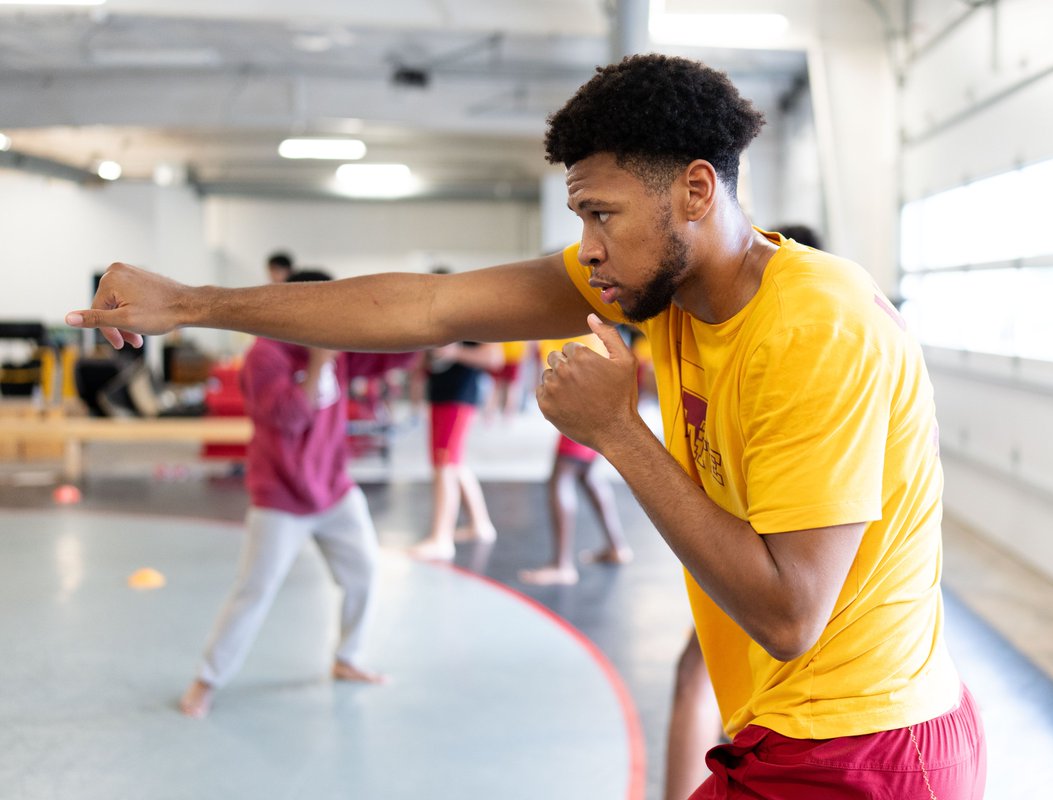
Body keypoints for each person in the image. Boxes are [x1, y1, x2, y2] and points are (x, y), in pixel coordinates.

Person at [70, 54, 986, 797]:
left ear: (696, 192)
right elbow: (427, 308)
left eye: (602, 214)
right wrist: (191, 303)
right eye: (580, 215)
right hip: (801, 734)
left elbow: (790, 614)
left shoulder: (812, 325)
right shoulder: (664, 282)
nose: (587, 245)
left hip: (864, 751)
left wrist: (621, 434)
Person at [178, 269, 411, 719]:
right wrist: (319, 362)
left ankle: (347, 659)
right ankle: (205, 681)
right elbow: (287, 418)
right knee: (255, 590)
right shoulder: (264, 356)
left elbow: (384, 357)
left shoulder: (336, 345)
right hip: (281, 496)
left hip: (334, 489)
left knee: (363, 573)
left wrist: (430, 335)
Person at [663, 222, 828, 800]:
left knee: (701, 676)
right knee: (695, 673)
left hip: (837, 709)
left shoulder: (811, 337)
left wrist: (617, 432)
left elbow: (790, 616)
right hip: (750, 557)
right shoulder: (718, 326)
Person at [518, 334, 632, 586]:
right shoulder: (577, 324)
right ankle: (617, 547)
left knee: (561, 476)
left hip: (589, 403)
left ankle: (562, 566)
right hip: (598, 403)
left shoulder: (575, 324)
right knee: (587, 475)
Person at [407, 267, 503, 562]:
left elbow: (494, 358)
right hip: (441, 394)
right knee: (453, 462)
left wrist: (455, 353)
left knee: (444, 464)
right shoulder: (436, 320)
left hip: (459, 396)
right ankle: (479, 524)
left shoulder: (471, 317)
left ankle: (441, 538)